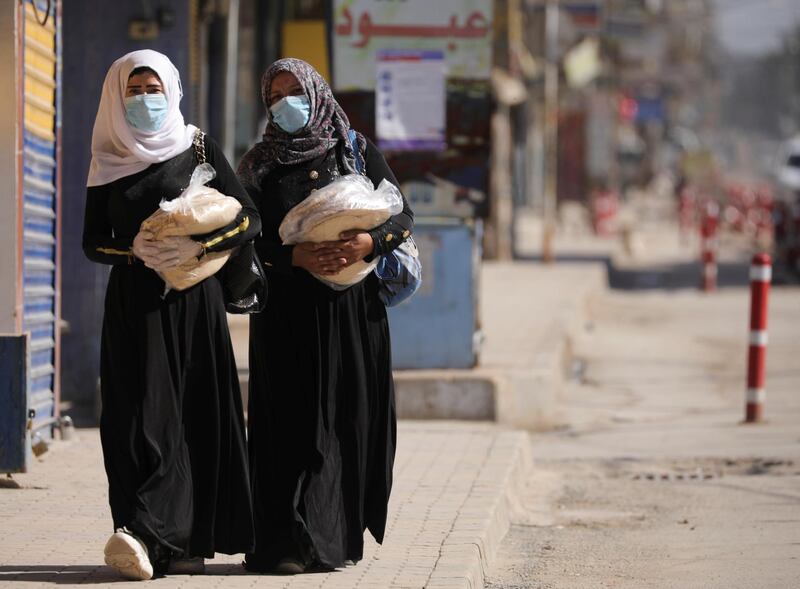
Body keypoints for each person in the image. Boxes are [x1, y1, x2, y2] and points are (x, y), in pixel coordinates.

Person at [82, 49, 259, 580]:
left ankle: (188, 539)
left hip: (193, 304)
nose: (143, 99)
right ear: (117, 96)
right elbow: (93, 243)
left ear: (173, 89)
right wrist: (134, 251)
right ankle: (139, 531)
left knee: (193, 413)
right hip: (135, 306)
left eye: (152, 88)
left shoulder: (196, 144)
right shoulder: (108, 155)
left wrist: (200, 249)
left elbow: (248, 218)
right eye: (132, 91)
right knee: (136, 416)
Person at [237, 58, 414, 574]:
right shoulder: (258, 166)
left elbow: (402, 215)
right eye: (275, 95)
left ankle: (332, 538)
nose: (285, 103)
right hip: (287, 317)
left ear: (317, 93)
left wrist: (368, 241)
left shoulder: (355, 150)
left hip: (352, 318)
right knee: (289, 422)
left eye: (295, 91)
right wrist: (292, 257)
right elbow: (244, 239)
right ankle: (285, 541)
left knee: (347, 419)